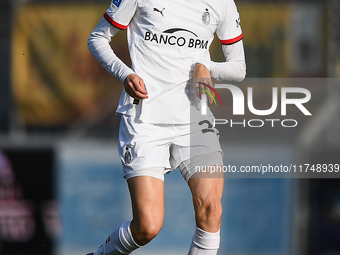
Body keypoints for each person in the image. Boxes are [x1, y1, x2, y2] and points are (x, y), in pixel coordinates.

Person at [87, 0, 246, 253]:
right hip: (145, 119)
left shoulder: (222, 3)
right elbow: (97, 38)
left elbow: (239, 67)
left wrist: (209, 67)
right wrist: (125, 74)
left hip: (195, 119)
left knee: (211, 210)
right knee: (147, 227)